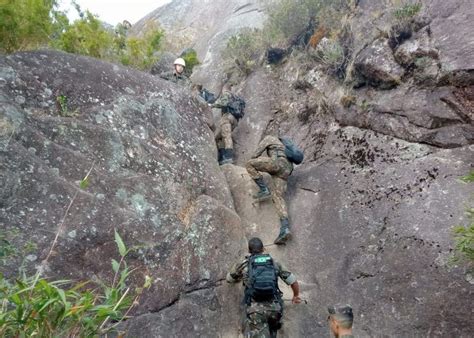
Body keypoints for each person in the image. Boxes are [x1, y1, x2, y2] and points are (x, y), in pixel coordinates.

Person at [227, 237, 301, 338]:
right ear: (263, 249)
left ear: (249, 250)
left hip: (256, 311)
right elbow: (293, 281)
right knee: (272, 332)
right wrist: (296, 296)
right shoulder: (273, 263)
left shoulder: (245, 264)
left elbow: (229, 279)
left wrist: (241, 275)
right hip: (275, 310)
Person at [246, 134, 294, 245]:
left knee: (249, 164)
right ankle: (285, 228)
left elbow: (255, 154)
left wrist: (258, 161)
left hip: (276, 164)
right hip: (286, 171)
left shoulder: (269, 138)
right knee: (278, 197)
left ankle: (264, 189)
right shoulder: (287, 147)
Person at [212, 83, 242, 165]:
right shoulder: (235, 97)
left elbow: (223, 103)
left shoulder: (226, 94)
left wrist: (212, 105)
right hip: (235, 120)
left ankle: (228, 157)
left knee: (226, 136)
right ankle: (222, 156)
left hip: (227, 117)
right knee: (218, 136)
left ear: (224, 89)